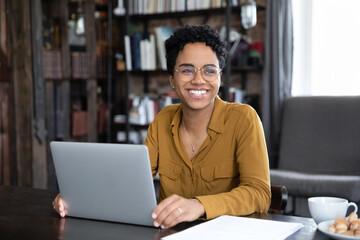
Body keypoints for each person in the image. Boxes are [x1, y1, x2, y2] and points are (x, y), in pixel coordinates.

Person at [53, 24, 271, 229]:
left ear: (220, 77)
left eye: (209, 71)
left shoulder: (244, 119)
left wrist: (199, 205)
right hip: (169, 233)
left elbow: (260, 194)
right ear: (171, 80)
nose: (198, 80)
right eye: (186, 70)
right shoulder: (162, 120)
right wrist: (79, 197)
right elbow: (127, 184)